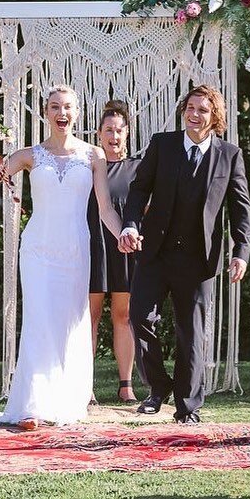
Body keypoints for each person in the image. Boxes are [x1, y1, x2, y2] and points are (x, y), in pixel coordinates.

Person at [0, 85, 124, 428]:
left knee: (70, 324)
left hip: (76, 250)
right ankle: (33, 407)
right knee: (38, 321)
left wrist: (123, 233)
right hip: (37, 251)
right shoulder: (29, 155)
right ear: (45, 113)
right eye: (54, 107)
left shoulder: (94, 155)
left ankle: (64, 401)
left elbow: (106, 209)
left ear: (77, 112)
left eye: (67, 107)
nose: (61, 113)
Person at [119, 85, 250, 424]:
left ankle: (188, 408)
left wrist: (241, 251)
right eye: (190, 108)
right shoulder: (162, 145)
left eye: (202, 110)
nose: (195, 114)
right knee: (139, 317)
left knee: (191, 334)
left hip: (198, 259)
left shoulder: (230, 155)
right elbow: (139, 188)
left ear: (215, 117)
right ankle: (159, 386)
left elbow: (240, 209)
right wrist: (131, 224)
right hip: (156, 252)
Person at [87, 100, 141, 404]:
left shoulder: (138, 168)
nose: (114, 136)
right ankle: (85, 386)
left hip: (125, 249)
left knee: (124, 315)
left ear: (127, 133)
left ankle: (126, 385)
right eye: (108, 130)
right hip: (92, 246)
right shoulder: (88, 167)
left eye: (119, 130)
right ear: (99, 133)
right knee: (90, 317)